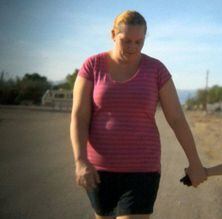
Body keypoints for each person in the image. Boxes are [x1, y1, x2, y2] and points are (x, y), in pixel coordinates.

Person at [70, 10, 207, 219]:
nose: (132, 48)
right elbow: (80, 116)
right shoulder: (92, 66)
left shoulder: (156, 69)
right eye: (126, 41)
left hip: (143, 169)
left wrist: (194, 162)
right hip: (99, 170)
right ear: (113, 34)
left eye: (139, 42)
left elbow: (177, 119)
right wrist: (80, 161)